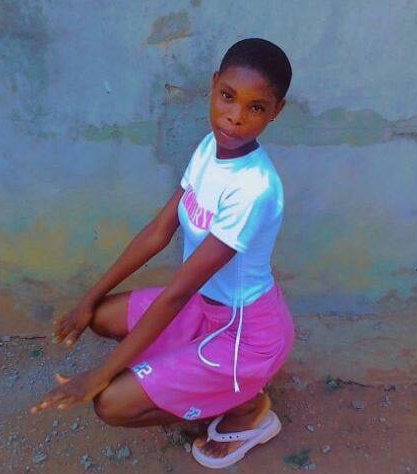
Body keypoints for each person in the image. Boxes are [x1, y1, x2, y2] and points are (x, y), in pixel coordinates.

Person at [30, 37, 295, 469]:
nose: (234, 117)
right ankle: (212, 385)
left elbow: (176, 293)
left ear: (276, 111)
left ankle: (248, 410)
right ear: (213, 86)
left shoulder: (255, 189)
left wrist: (98, 376)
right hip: (204, 309)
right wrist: (88, 300)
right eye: (228, 96)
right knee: (102, 316)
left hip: (243, 333)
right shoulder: (210, 149)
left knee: (110, 403)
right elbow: (158, 231)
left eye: (256, 107)